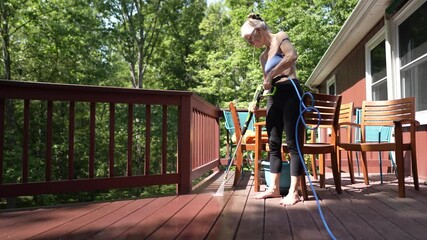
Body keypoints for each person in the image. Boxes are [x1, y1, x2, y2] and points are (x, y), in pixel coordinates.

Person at [241, 13, 303, 206]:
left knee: (292, 143)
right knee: (273, 143)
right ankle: (274, 189)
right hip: (273, 98)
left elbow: (292, 56)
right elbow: (266, 82)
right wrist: (256, 99)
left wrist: (272, 74)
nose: (251, 43)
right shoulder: (262, 57)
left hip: (290, 92)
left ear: (258, 31)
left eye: (251, 39)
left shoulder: (280, 37)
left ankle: (294, 192)